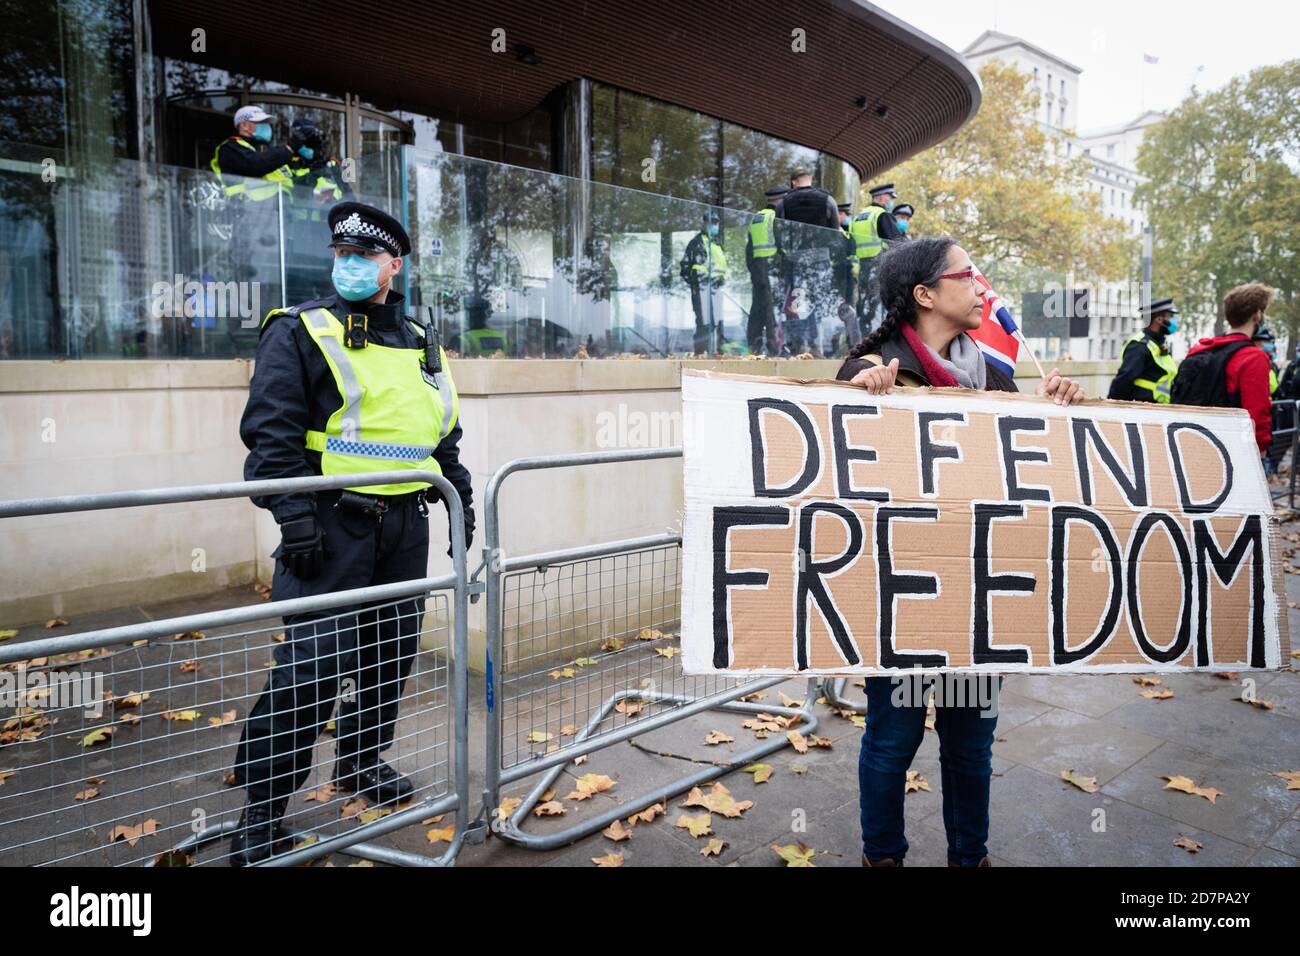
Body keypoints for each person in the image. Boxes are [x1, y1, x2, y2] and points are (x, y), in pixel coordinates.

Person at [231, 201, 474, 866]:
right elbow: (271, 437)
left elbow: (441, 434)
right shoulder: (300, 329)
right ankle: (262, 811)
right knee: (310, 671)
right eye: (342, 255)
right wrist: (294, 517)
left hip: (404, 528)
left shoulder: (424, 341)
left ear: (394, 265)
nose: (350, 266)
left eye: (365, 256)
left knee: (387, 660)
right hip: (331, 530)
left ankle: (360, 764)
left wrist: (462, 499)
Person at [837, 236, 1085, 868]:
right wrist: (853, 399)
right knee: (891, 739)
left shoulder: (1000, 379)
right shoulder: (869, 367)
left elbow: (1032, 481)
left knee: (971, 744)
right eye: (967, 275)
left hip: (978, 596)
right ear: (925, 295)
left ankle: (969, 858)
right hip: (902, 598)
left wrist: (1059, 416)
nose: (980, 287)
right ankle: (882, 856)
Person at [1172, 282, 1275, 461]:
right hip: (1232, 449)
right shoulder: (1252, 356)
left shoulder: (1200, 349)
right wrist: (1260, 449)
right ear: (1257, 314)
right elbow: (1256, 412)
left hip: (1192, 442)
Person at [775, 170, 838, 356]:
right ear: (810, 180)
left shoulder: (784, 202)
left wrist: (785, 254)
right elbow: (835, 232)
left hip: (797, 260)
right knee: (820, 303)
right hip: (820, 260)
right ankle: (817, 346)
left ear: (794, 182)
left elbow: (778, 232)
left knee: (799, 303)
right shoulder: (827, 200)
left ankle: (800, 345)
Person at [851, 183, 904, 337]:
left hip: (862, 270)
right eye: (889, 198)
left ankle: (863, 337)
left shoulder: (857, 218)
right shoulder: (881, 215)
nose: (890, 202)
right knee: (878, 308)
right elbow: (897, 242)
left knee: (864, 306)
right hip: (879, 267)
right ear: (881, 198)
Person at [1107, 297, 1179, 403]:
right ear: (1159, 319)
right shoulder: (1139, 345)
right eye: (1171, 316)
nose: (1174, 320)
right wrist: (1112, 407)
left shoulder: (1159, 343)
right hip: (1144, 410)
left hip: (1159, 408)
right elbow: (1123, 381)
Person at [745, 186, 786, 356]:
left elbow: (749, 247)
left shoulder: (757, 217)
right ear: (780, 200)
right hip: (772, 266)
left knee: (758, 306)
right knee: (772, 308)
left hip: (757, 267)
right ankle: (773, 346)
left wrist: (753, 269)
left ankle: (753, 343)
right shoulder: (776, 217)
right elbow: (780, 242)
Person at [680, 210, 727, 355]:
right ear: (705, 223)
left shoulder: (716, 244)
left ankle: (713, 352)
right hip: (702, 288)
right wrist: (696, 283)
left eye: (716, 223)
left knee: (714, 323)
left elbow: (721, 267)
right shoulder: (697, 242)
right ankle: (700, 353)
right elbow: (685, 267)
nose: (714, 225)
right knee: (704, 323)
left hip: (716, 288)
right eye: (711, 222)